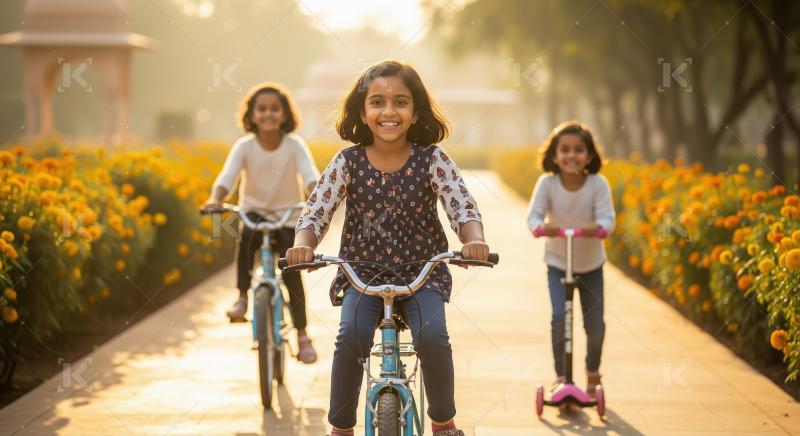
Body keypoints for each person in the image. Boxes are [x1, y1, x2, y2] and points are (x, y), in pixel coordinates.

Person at [285, 60, 490, 436]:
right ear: (362, 113)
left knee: (433, 336)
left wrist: (472, 240)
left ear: (415, 112)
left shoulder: (433, 160)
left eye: (401, 102)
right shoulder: (347, 162)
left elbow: (461, 204)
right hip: (361, 275)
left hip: (421, 275)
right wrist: (303, 246)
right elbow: (315, 211)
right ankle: (341, 429)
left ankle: (444, 423)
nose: (389, 112)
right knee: (351, 338)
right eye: (377, 102)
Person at [202, 82, 319, 363]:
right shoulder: (244, 147)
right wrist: (215, 198)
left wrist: (319, 198)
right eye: (262, 109)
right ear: (252, 115)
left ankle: (302, 334)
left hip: (288, 215)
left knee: (292, 270)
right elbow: (227, 178)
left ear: (285, 114)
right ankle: (242, 297)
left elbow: (311, 176)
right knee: (245, 244)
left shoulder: (294, 146)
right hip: (253, 212)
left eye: (274, 109)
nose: (268, 114)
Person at [526, 120, 616, 399]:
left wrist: (598, 228)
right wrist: (539, 227)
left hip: (590, 266)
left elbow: (607, 219)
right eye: (564, 150)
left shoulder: (597, 184)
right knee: (559, 318)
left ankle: (592, 372)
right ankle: (561, 377)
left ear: (589, 156)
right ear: (554, 155)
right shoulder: (548, 184)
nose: (571, 155)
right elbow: (534, 215)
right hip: (557, 262)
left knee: (595, 325)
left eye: (579, 150)